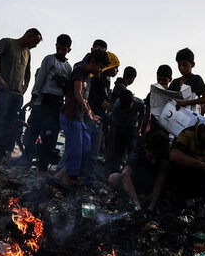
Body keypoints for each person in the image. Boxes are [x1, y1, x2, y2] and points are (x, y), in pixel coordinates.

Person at [0, 28, 42, 165]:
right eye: (35, 41)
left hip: (17, 95)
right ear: (28, 35)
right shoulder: (7, 43)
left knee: (9, 128)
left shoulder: (27, 53)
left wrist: (25, 86)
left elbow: (28, 71)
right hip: (4, 92)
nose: (35, 45)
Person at [49, 50, 110, 191]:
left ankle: (58, 177)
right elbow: (77, 93)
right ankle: (65, 181)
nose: (100, 70)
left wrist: (92, 115)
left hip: (80, 118)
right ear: (93, 61)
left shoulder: (88, 77)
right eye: (100, 67)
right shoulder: (78, 72)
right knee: (76, 151)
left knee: (85, 150)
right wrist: (89, 112)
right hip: (71, 117)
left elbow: (85, 99)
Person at [22, 34, 73, 171]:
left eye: (64, 49)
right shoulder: (49, 60)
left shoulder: (68, 67)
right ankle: (25, 162)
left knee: (50, 137)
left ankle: (42, 166)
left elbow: (68, 88)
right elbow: (40, 79)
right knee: (33, 132)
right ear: (56, 46)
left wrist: (62, 83)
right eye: (59, 48)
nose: (60, 51)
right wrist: (34, 98)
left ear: (69, 50)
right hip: (43, 100)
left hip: (56, 103)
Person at [108, 131, 171, 211]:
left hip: (150, 189)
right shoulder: (139, 151)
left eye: (156, 158)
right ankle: (130, 198)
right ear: (145, 148)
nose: (153, 162)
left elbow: (160, 181)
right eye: (151, 157)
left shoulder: (164, 158)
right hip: (135, 184)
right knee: (113, 178)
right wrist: (136, 203)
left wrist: (152, 205)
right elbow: (125, 174)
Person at [82, 51, 118, 185]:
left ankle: (88, 181)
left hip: (98, 120)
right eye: (115, 67)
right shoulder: (92, 77)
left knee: (93, 154)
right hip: (90, 118)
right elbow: (87, 97)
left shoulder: (105, 81)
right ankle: (69, 176)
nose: (116, 71)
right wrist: (100, 102)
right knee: (82, 151)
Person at [107, 88, 144, 174]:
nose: (126, 110)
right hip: (119, 127)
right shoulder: (117, 106)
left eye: (128, 107)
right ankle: (114, 173)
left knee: (133, 149)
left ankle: (129, 172)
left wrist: (139, 129)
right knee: (117, 151)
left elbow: (142, 116)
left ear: (132, 102)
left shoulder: (139, 103)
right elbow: (113, 126)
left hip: (131, 127)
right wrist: (112, 144)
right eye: (124, 108)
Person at [170, 48, 205, 112]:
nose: (181, 68)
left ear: (192, 64)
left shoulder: (196, 79)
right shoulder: (175, 82)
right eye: (179, 65)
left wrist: (186, 102)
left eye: (185, 65)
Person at [142, 64, 174, 134]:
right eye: (159, 79)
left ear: (170, 80)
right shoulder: (151, 95)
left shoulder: (173, 96)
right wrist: (143, 132)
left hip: (168, 131)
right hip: (153, 131)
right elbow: (147, 114)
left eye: (164, 80)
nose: (161, 82)